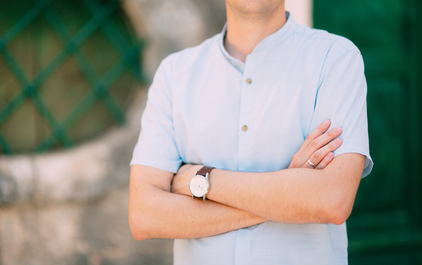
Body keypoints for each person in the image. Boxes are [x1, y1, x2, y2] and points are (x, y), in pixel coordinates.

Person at [128, 0, 373, 264]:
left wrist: (199, 181)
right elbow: (144, 216)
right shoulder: (174, 74)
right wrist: (289, 195)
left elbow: (332, 201)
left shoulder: (336, 59)